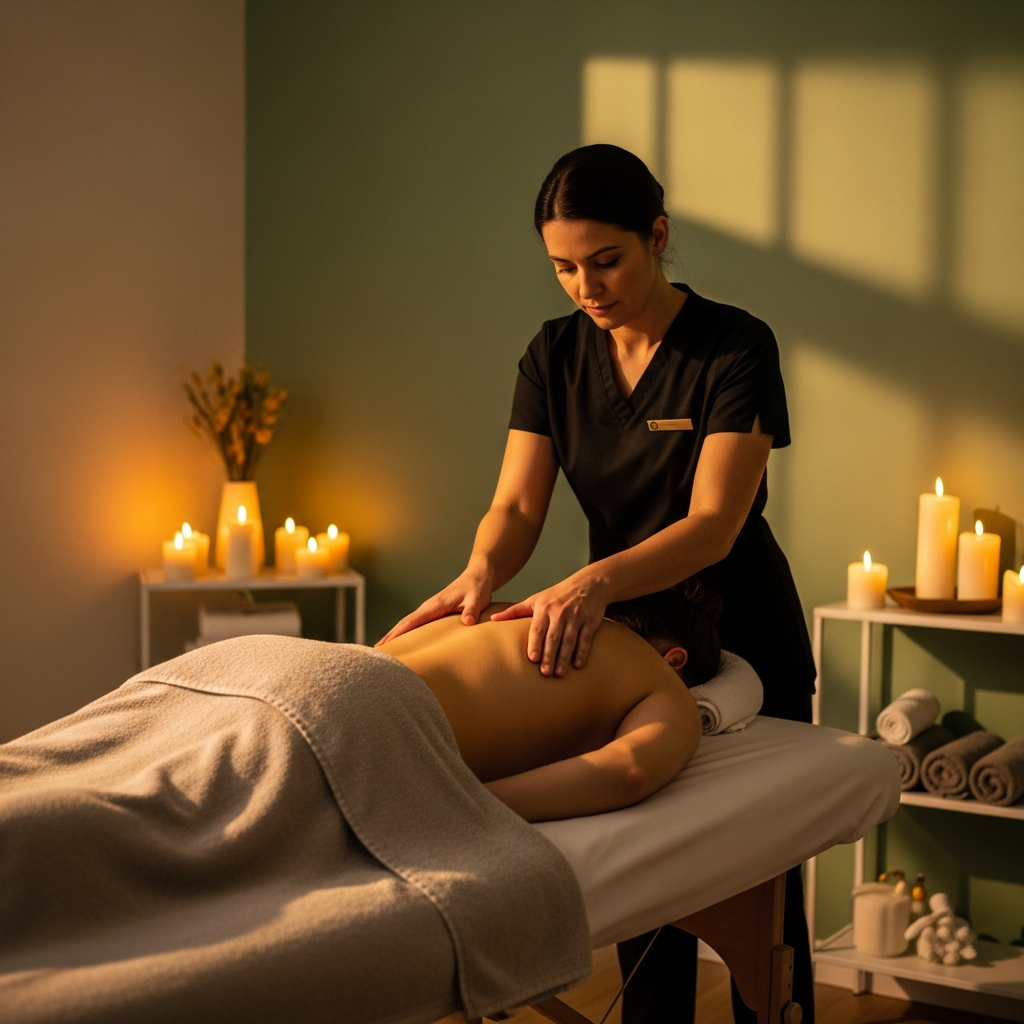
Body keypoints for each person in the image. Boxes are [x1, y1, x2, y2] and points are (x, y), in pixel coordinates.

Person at [379, 144, 816, 1024]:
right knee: (650, 894)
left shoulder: (734, 346)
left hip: (738, 622)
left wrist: (591, 583)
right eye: (564, 267)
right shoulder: (554, 355)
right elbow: (515, 505)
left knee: (762, 887)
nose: (587, 286)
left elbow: (715, 524)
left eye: (606, 260)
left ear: (657, 235)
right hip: (624, 616)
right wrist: (480, 573)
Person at [380, 581, 720, 822]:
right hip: (389, 729)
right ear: (675, 659)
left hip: (354, 663)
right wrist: (457, 805)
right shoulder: (663, 680)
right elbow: (629, 773)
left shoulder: (512, 612)